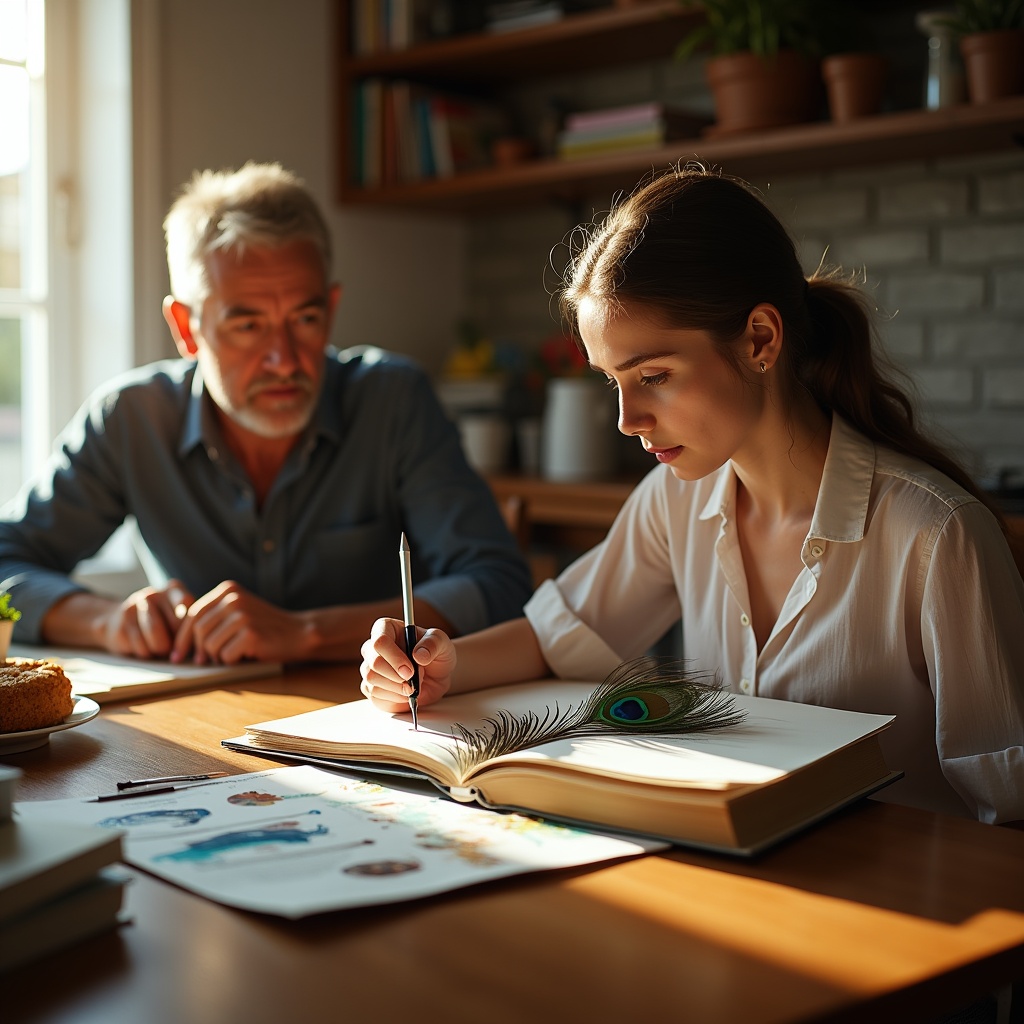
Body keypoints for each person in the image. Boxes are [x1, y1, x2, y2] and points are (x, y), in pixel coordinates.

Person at [359, 164, 1024, 826]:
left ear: (760, 340)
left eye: (653, 375)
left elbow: (1008, 802)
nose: (627, 420)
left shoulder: (936, 535)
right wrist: (432, 665)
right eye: (612, 382)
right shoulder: (673, 503)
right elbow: (558, 636)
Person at [0, 162, 532, 664]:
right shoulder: (131, 419)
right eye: (248, 325)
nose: (284, 360)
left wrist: (305, 633)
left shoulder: (392, 400)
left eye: (304, 318)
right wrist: (106, 621)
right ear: (186, 328)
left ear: (332, 308)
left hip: (371, 723)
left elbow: (498, 584)